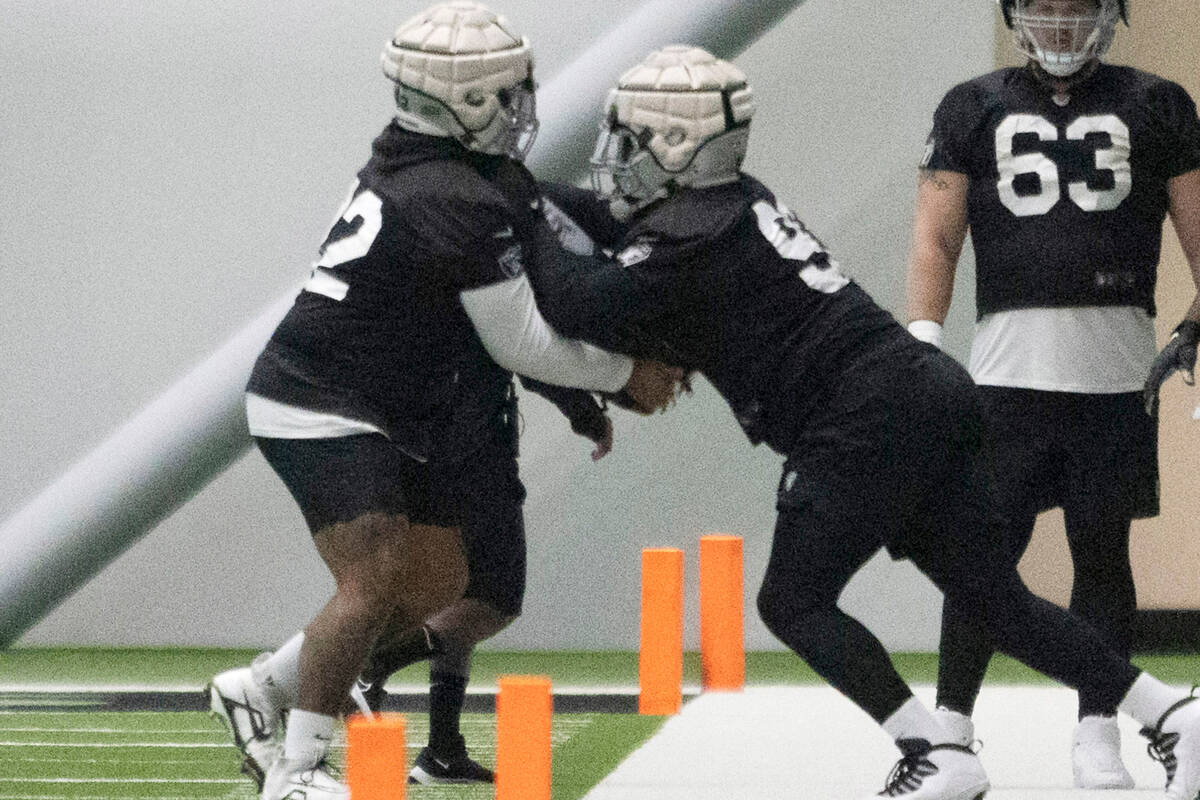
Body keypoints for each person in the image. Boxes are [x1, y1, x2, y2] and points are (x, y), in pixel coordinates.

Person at [520, 43, 1200, 800]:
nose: (615, 157)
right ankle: (1171, 712)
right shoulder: (729, 202)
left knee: (793, 600)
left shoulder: (690, 238)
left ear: (679, 150)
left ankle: (932, 752)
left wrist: (511, 215)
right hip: (922, 394)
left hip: (861, 415)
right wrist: (522, 192)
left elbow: (574, 300)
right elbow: (610, 238)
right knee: (994, 600)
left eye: (632, 139)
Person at [204, 4, 680, 799]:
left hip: (380, 403)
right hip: (322, 400)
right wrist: (619, 375)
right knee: (376, 574)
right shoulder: (447, 192)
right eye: (506, 91)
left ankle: (259, 688)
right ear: (459, 100)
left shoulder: (459, 171)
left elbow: (546, 263)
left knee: (435, 578)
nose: (523, 103)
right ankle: (298, 770)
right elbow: (519, 339)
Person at [904, 0, 1200, 788]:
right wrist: (925, 340)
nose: (1062, 26)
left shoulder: (1157, 102)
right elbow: (937, 232)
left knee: (1101, 554)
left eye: (1079, 9)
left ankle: (1098, 727)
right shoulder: (972, 105)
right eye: (1046, 8)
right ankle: (952, 731)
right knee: (980, 558)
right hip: (1004, 373)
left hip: (1115, 373)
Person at [353, 375, 615, 786]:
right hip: (470, 454)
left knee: (461, 600)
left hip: (425, 448)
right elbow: (527, 351)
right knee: (497, 598)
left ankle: (442, 751)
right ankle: (374, 664)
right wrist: (586, 414)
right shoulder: (471, 309)